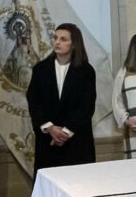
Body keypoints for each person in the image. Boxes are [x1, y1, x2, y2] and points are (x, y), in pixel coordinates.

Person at [25, 23, 97, 175]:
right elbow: (34, 101)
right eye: (56, 38)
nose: (57, 42)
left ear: (74, 44)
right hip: (48, 142)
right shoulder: (41, 69)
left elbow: (87, 105)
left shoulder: (86, 71)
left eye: (63, 39)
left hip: (76, 142)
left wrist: (65, 132)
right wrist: (50, 128)